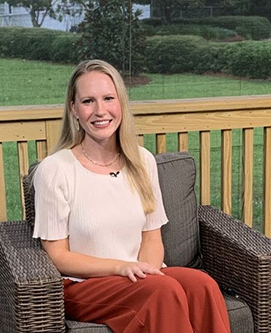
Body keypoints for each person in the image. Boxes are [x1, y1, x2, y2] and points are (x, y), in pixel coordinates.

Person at [32, 59, 231, 333]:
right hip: (82, 285)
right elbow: (58, 256)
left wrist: (145, 271)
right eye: (88, 101)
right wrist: (122, 267)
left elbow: (152, 237)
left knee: (201, 285)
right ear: (74, 110)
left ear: (121, 104)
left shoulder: (142, 161)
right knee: (162, 290)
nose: (100, 111)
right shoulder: (55, 170)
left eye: (108, 98)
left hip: (138, 277)